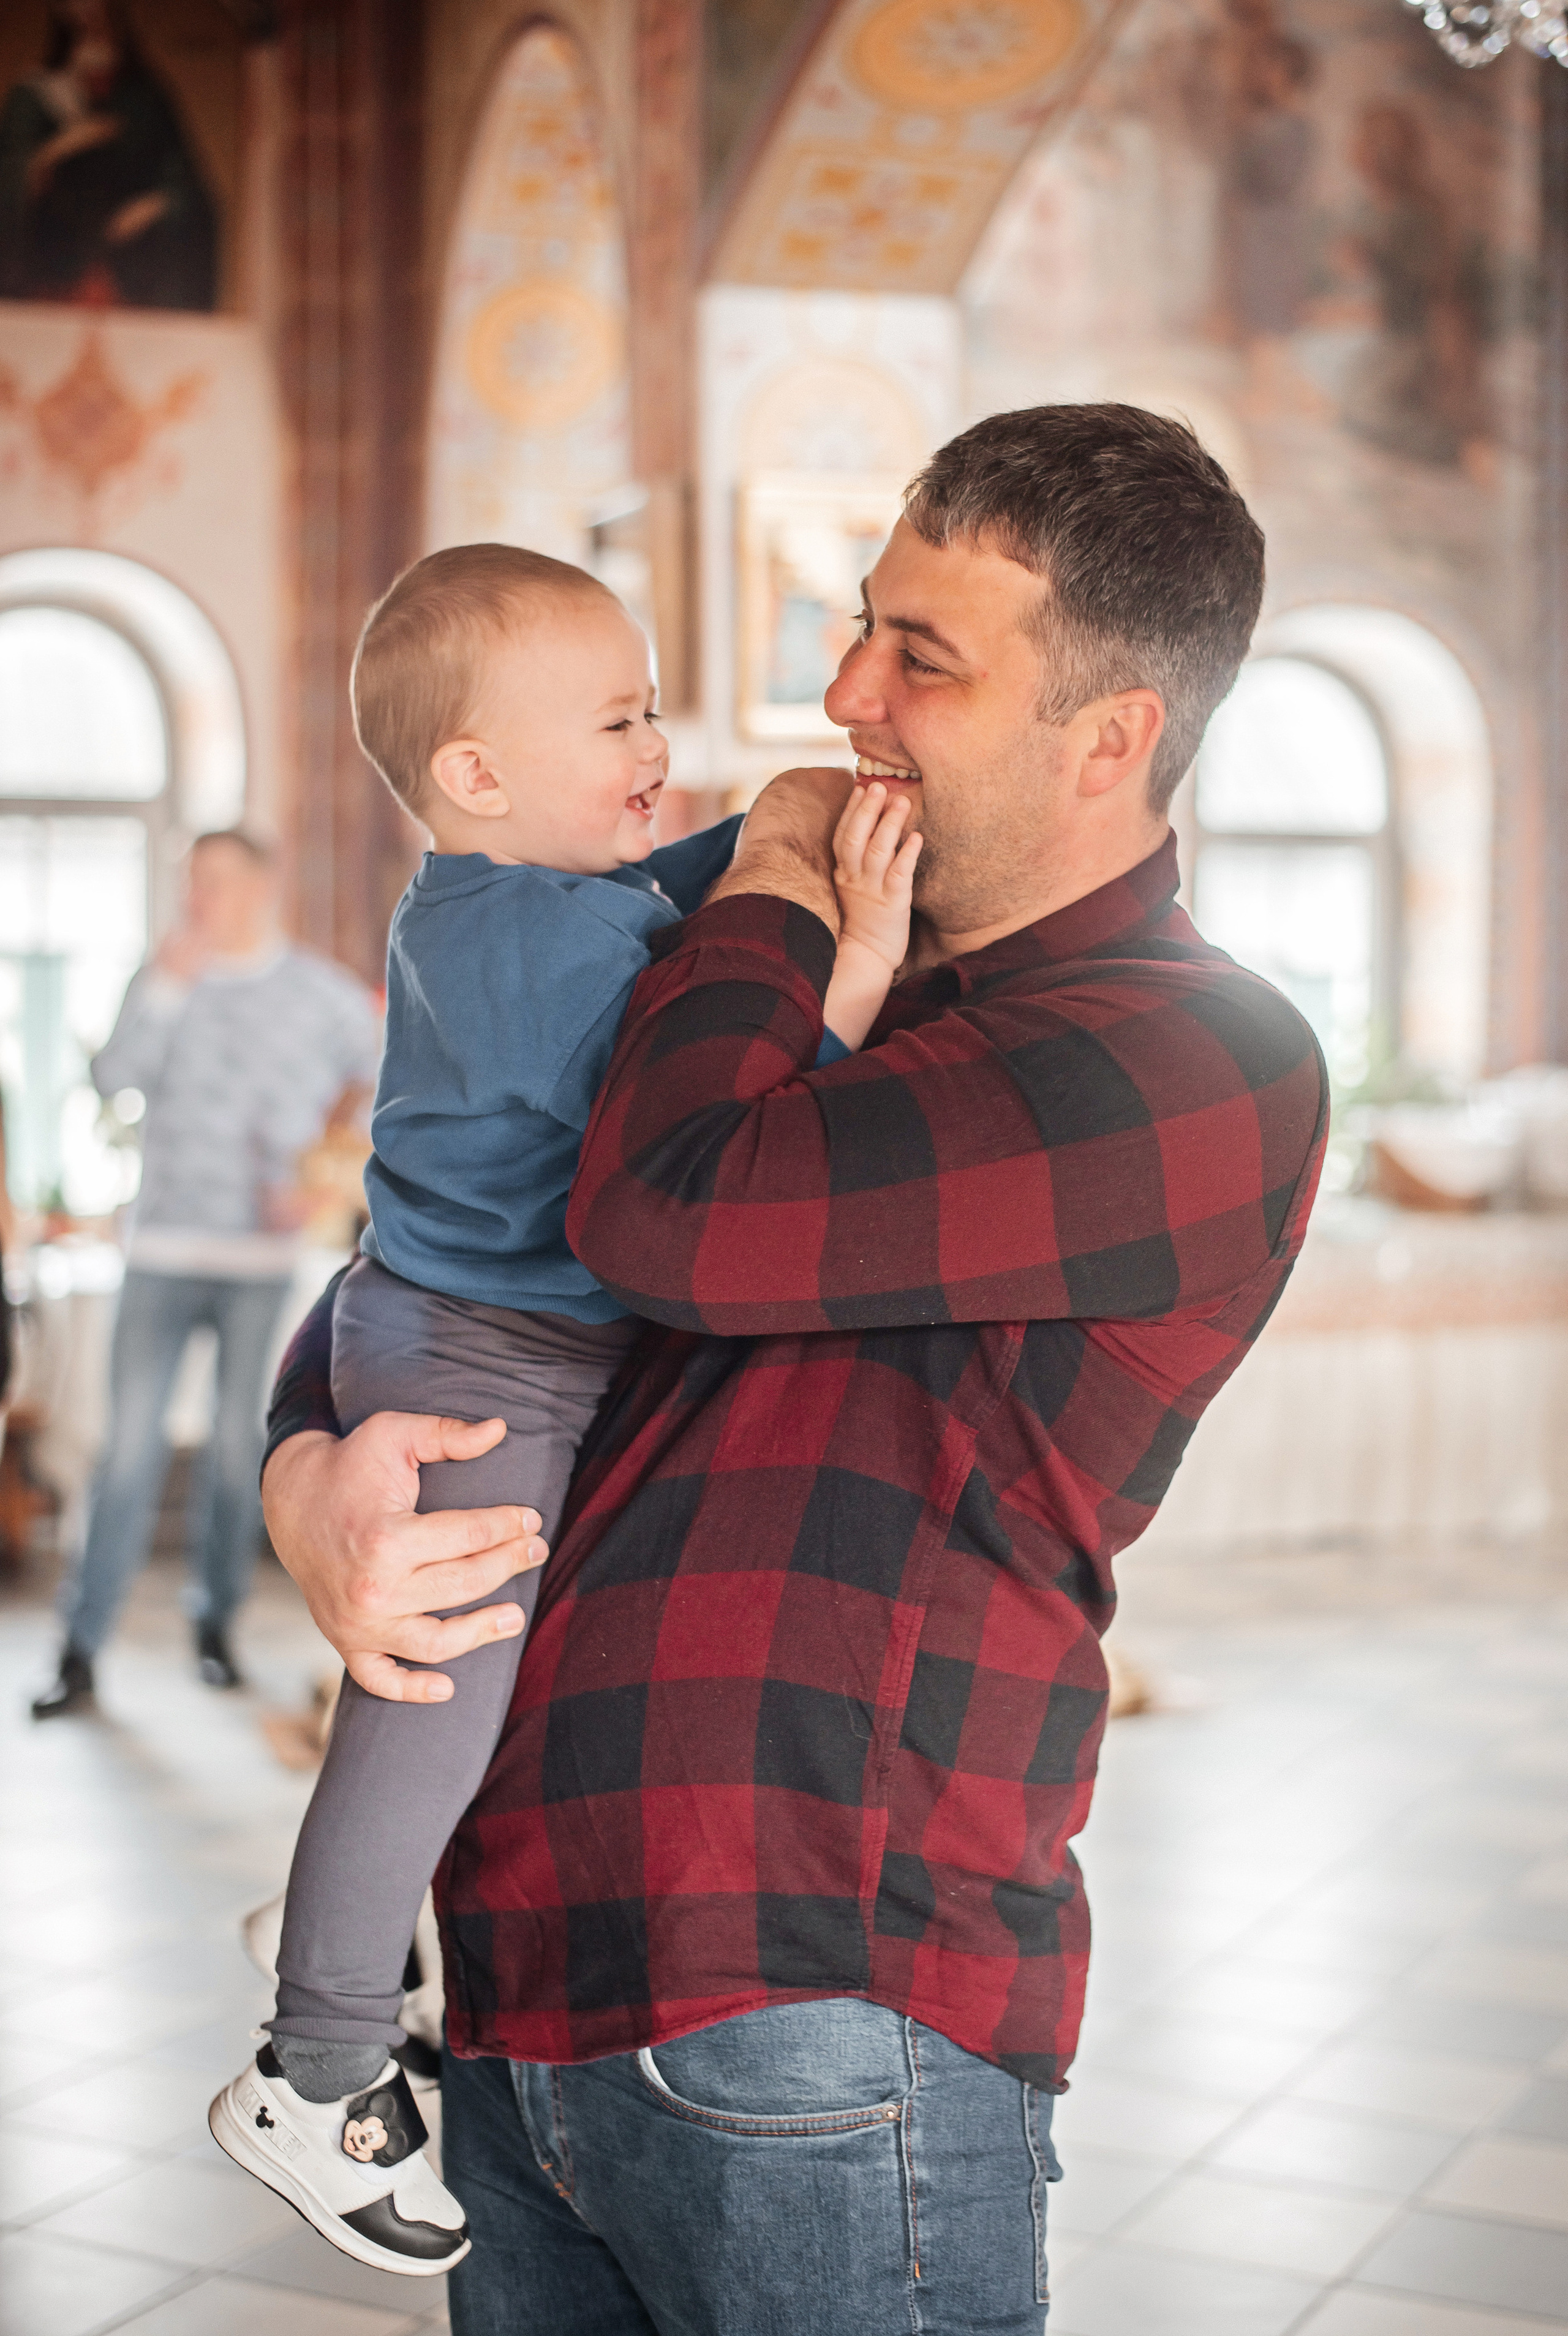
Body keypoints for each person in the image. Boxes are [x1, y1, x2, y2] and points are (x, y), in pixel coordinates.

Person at [258, 405, 1328, 2334]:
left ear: (1108, 739)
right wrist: (304, 1478)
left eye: (923, 654)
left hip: (809, 2007)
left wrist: (761, 867)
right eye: (862, 622)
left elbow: (665, 1208)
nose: (841, 690)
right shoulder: (817, 971)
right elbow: (437, 1235)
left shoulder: (1188, 1053)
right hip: (520, 1978)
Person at [208, 544, 922, 2275]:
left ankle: (348, 1917)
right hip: (479, 1373)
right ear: (477, 771)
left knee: (466, 1699)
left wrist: (772, 835)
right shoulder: (536, 955)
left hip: (459, 1335)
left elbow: (682, 901)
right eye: (621, 717)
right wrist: (860, 959)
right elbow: (709, 1119)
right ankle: (317, 2061)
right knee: (434, 1708)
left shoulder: (516, 891)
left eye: (654, 708)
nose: (656, 746)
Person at [31, 829, 381, 1720]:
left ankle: (215, 1627)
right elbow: (112, 1078)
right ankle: (80, 1647)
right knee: (129, 1450)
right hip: (160, 1252)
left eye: (217, 881)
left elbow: (388, 1069)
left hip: (255, 1261)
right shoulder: (165, 980)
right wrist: (164, 985)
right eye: (193, 882)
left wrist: (325, 1181)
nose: (199, 898)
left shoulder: (316, 991)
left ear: (261, 887)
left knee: (237, 1450)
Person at [0, 0, 217, 311]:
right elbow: (11, 185)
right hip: (55, 275)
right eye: (81, 31)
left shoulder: (144, 99)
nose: (94, 46)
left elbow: (191, 188)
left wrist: (153, 205)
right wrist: (59, 148)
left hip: (132, 273)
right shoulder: (33, 98)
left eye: (100, 29)